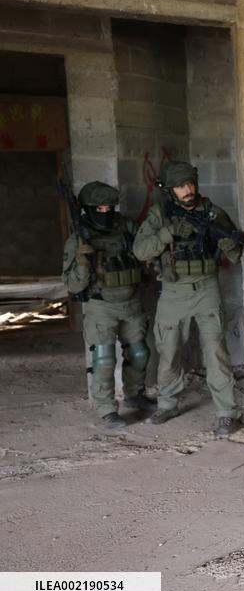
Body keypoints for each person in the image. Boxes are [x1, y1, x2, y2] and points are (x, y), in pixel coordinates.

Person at [133, 161, 244, 437]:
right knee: (169, 351)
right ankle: (168, 404)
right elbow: (140, 250)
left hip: (206, 288)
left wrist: (228, 240)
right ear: (171, 190)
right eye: (181, 186)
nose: (188, 190)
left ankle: (226, 413)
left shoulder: (211, 212)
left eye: (191, 184)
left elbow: (235, 254)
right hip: (173, 292)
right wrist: (167, 232)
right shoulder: (161, 214)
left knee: (216, 351)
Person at [61, 181, 154, 429]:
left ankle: (134, 395)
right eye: (99, 209)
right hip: (101, 306)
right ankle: (106, 409)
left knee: (139, 353)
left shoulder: (125, 226)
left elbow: (146, 244)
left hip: (131, 301)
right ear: (89, 209)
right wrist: (82, 262)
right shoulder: (77, 239)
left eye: (109, 207)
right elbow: (72, 286)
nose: (106, 213)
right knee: (103, 360)